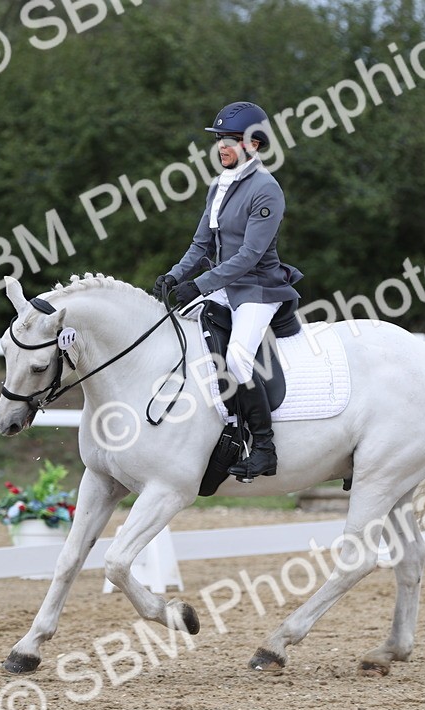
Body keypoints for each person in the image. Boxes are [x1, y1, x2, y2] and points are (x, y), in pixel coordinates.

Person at [153, 100, 302, 482]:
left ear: (254, 144)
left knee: (236, 360)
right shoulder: (219, 185)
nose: (223, 146)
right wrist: (173, 276)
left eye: (232, 140)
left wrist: (200, 284)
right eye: (220, 138)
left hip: (257, 288)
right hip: (223, 286)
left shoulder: (266, 189)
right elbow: (200, 244)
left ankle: (264, 448)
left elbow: (251, 255)